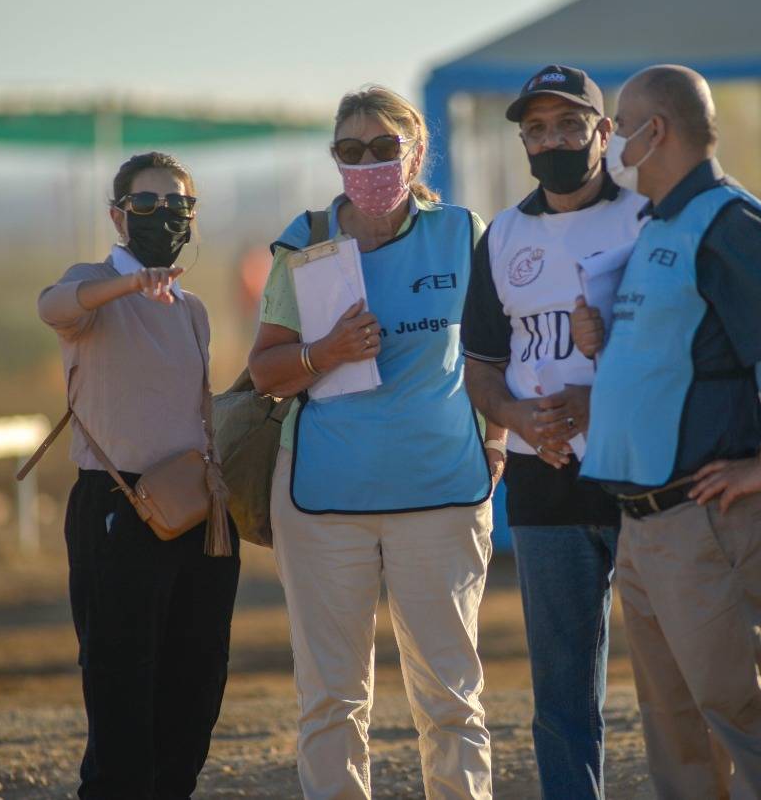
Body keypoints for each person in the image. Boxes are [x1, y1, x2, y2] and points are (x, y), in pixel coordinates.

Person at [572, 65, 761, 799]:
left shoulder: (728, 222)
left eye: (620, 125)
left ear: (658, 131)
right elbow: (675, 358)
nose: (611, 139)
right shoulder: (662, 223)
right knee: (675, 734)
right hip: (650, 526)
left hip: (710, 522)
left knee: (746, 719)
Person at [248, 85, 501, 800]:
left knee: (451, 695)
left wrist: (500, 445)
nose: (368, 164)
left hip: (442, 496)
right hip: (325, 503)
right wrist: (323, 352)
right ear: (335, 160)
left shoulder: (462, 233)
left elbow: (499, 348)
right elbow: (263, 372)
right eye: (350, 151)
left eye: (384, 147)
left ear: (416, 151)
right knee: (330, 700)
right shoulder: (305, 241)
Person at [461, 63, 643, 798]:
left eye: (570, 124)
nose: (552, 139)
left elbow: (679, 345)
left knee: (678, 668)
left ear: (603, 133)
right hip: (544, 478)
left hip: (642, 468)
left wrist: (603, 402)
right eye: (536, 129)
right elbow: (481, 367)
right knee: (562, 692)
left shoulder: (646, 217)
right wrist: (511, 416)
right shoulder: (502, 235)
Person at [37, 151, 240, 798]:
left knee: (196, 678)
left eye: (178, 205)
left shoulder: (193, 309)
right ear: (118, 215)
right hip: (117, 505)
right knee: (121, 684)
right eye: (147, 204)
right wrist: (127, 285)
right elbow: (53, 305)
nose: (164, 216)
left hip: (196, 511)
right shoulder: (94, 287)